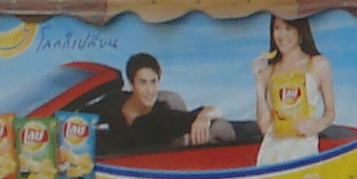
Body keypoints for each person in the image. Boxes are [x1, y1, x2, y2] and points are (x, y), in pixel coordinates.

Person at [92, 53, 227, 157]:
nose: (150, 90)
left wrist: (204, 116)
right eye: (143, 82)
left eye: (153, 82)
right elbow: (82, 114)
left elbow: (215, 111)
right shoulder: (114, 102)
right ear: (131, 84)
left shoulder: (163, 117)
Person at [254, 18, 334, 164]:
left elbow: (330, 111)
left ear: (300, 31)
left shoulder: (318, 64)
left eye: (288, 28)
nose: (282, 35)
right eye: (277, 28)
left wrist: (317, 126)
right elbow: (265, 127)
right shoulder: (268, 72)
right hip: (271, 154)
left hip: (304, 150)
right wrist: (259, 83)